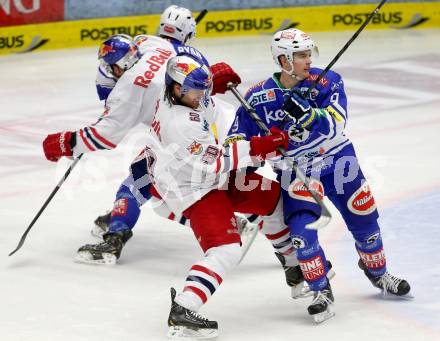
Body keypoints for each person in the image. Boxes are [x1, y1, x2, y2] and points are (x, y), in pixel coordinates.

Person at [225, 28, 411, 323]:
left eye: (309, 53)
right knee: (301, 234)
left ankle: (378, 273)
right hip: (296, 169)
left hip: (338, 159)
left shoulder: (328, 81)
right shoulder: (257, 97)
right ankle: (321, 290)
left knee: (364, 219)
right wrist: (262, 146)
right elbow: (233, 143)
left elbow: (338, 122)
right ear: (284, 60)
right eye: (301, 55)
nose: (308, 60)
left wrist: (310, 115)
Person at [41, 5, 241, 263]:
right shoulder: (175, 52)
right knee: (154, 175)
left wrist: (66, 143)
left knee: (149, 179)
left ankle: (116, 237)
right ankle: (122, 216)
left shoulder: (142, 47)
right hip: (213, 124)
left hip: (194, 135)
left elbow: (104, 136)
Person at [142, 54, 290, 339]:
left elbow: (206, 107)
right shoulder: (179, 124)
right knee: (226, 250)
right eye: (197, 90)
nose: (202, 95)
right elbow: (218, 160)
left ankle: (292, 264)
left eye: (204, 89)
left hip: (204, 176)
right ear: (176, 89)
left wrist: (211, 81)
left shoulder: (184, 96)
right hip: (194, 188)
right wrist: (260, 146)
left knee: (272, 198)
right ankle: (184, 307)